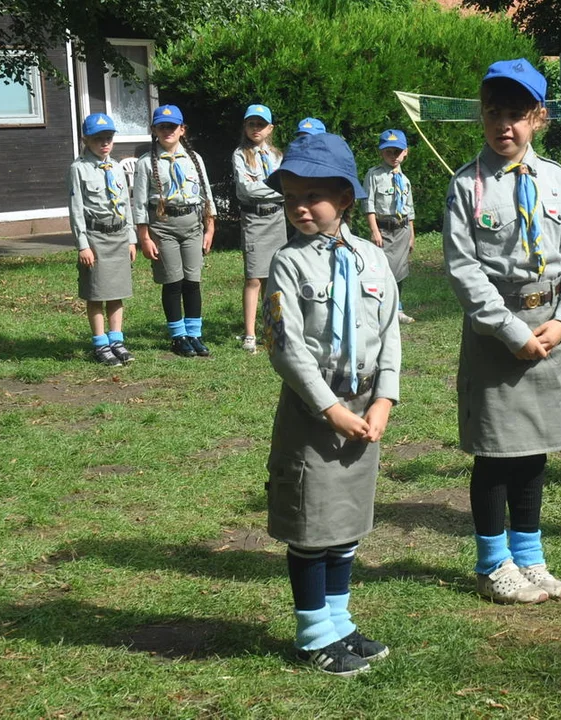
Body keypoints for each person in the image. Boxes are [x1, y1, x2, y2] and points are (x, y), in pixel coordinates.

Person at [443, 58, 561, 604]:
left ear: (539, 117)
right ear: (482, 117)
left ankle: (529, 556)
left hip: (551, 331)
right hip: (497, 336)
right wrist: (511, 332)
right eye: (493, 113)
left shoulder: (557, 180)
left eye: (516, 114)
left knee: (535, 452)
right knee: (496, 452)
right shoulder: (467, 186)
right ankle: (492, 564)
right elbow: (462, 268)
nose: (504, 125)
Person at [262, 132, 401, 676]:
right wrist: (329, 409)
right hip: (313, 412)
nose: (299, 205)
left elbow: (389, 331)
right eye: (290, 195)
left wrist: (384, 397)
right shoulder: (287, 264)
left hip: (364, 409)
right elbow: (286, 346)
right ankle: (312, 632)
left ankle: (338, 621)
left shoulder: (371, 259)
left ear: (345, 199)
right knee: (310, 523)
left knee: (345, 522)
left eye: (313, 195)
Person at [133, 104, 216, 357]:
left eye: (172, 126)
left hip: (192, 225)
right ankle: (178, 337)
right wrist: (144, 237)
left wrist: (209, 227)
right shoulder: (146, 163)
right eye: (162, 126)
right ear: (154, 130)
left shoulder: (194, 159)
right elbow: (138, 204)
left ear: (182, 130)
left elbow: (206, 195)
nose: (167, 131)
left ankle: (194, 334)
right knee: (173, 282)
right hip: (164, 226)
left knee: (192, 281)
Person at [67, 113, 138, 366]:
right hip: (96, 237)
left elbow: (126, 205)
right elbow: (76, 209)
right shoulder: (79, 168)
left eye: (108, 138)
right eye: (98, 139)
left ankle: (116, 340)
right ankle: (100, 343)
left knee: (117, 292)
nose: (104, 143)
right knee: (96, 293)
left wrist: (131, 238)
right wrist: (83, 244)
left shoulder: (116, 167)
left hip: (118, 235)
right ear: (86, 139)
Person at [233, 103, 288, 353]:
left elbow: (286, 185)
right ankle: (250, 335)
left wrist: (269, 190)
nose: (256, 128)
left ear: (270, 128)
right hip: (254, 220)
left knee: (274, 277)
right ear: (245, 126)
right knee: (254, 277)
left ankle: (272, 330)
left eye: (261, 124)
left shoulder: (277, 156)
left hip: (276, 220)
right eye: (251, 123)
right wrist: (277, 191)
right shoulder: (240, 155)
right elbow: (246, 189)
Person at [363, 129, 416, 324]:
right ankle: (381, 308)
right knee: (383, 270)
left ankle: (398, 308)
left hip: (402, 229)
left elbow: (409, 209)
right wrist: (374, 230)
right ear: (381, 153)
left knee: (401, 270)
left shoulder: (405, 179)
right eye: (389, 152)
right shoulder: (374, 176)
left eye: (398, 151)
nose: (394, 156)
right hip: (383, 230)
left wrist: (412, 234)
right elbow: (368, 205)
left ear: (406, 152)